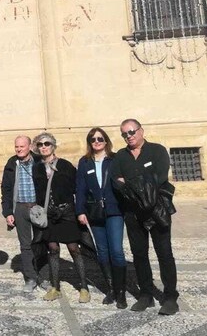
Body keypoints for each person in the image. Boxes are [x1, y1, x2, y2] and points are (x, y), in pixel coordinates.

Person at [111, 119, 178, 315]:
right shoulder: (120, 157)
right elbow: (116, 181)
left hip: (157, 211)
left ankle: (171, 297)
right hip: (133, 213)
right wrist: (140, 184)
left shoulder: (157, 150)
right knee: (139, 255)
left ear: (141, 131)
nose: (128, 136)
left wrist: (130, 183)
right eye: (124, 134)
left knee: (164, 254)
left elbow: (159, 177)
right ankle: (146, 294)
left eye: (131, 132)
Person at [33, 133, 90, 303]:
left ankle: (84, 287)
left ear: (53, 146)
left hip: (66, 213)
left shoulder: (65, 166)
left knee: (74, 248)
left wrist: (79, 209)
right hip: (49, 215)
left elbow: (77, 188)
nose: (43, 147)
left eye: (47, 143)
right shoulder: (37, 168)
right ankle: (55, 286)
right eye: (40, 144)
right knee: (53, 249)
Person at [75, 128, 127, 309]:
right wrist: (80, 211)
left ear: (106, 141)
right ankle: (111, 289)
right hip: (94, 212)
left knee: (117, 250)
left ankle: (121, 292)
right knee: (102, 251)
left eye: (100, 138)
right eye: (92, 139)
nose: (96, 141)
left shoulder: (115, 159)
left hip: (114, 210)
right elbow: (80, 188)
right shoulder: (85, 162)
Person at [1, 135, 45, 292]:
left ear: (30, 147)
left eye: (22, 146)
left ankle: (44, 277)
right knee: (25, 245)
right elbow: (6, 189)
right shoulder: (12, 163)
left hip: (38, 208)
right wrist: (7, 212)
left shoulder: (40, 161)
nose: (19, 149)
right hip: (19, 208)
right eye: (16, 147)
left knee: (41, 243)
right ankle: (30, 277)